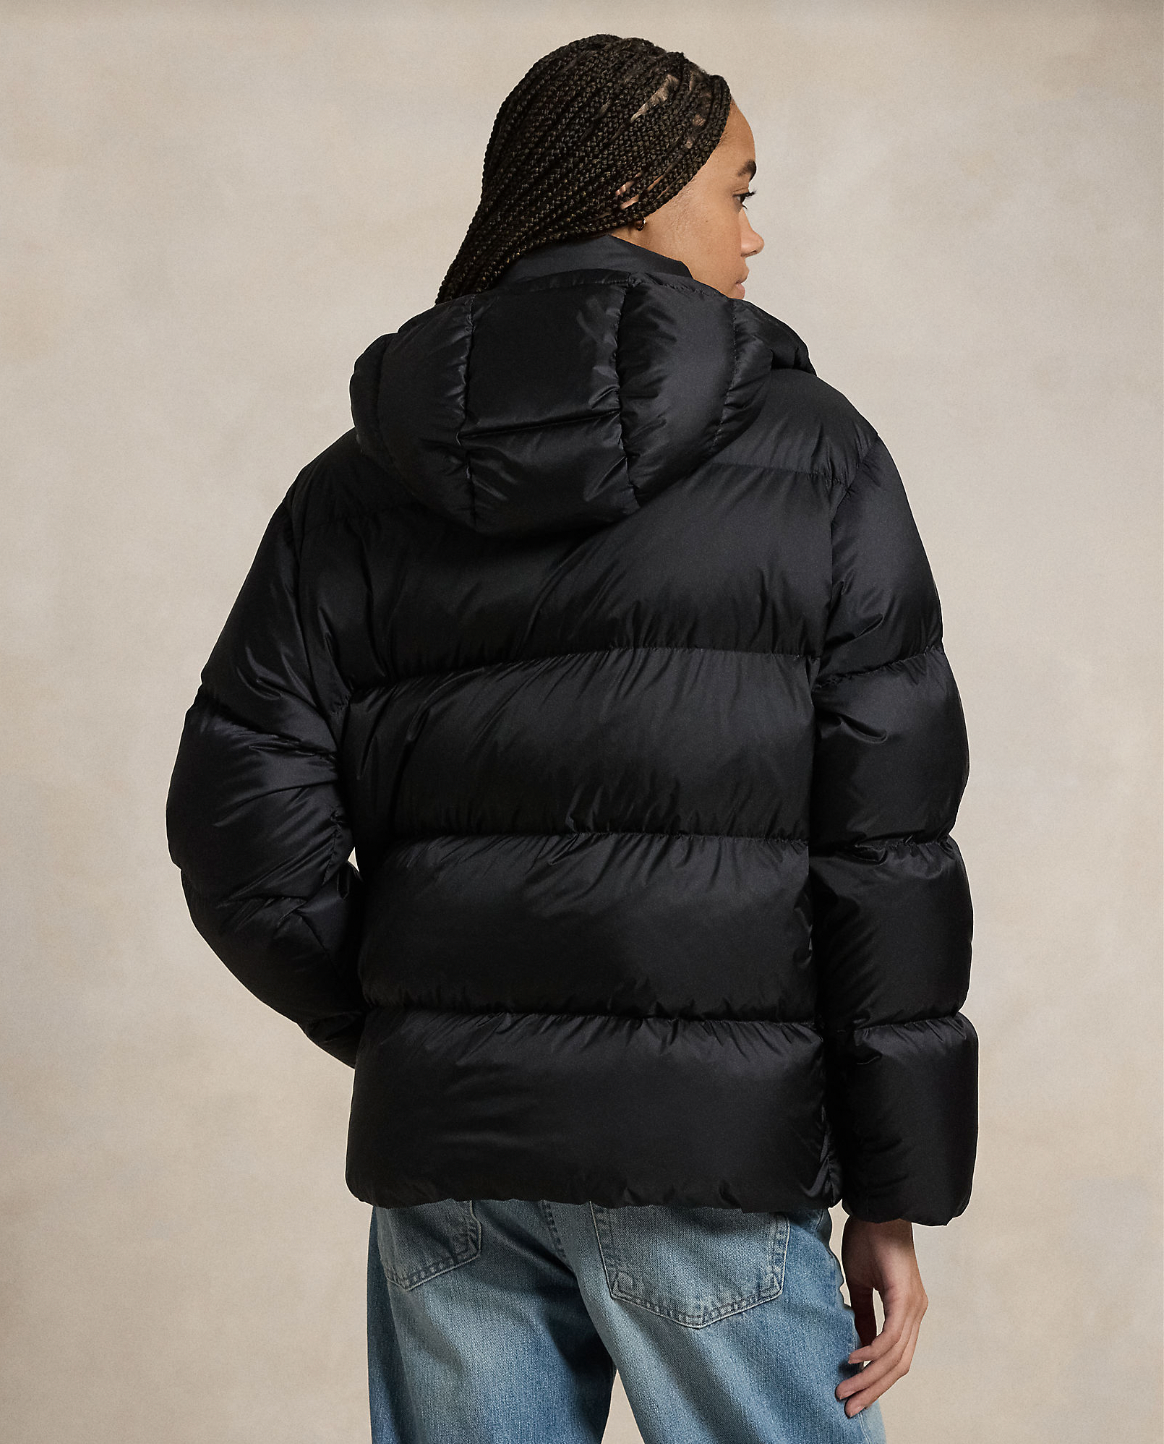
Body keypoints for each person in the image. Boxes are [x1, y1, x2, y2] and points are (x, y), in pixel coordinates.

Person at [165, 33, 977, 1444]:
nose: (754, 232)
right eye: (737, 190)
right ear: (629, 191)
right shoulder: (817, 453)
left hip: (457, 1153)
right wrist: (891, 1188)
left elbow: (241, 833)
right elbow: (884, 846)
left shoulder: (355, 484)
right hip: (714, 1152)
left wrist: (428, 1028)